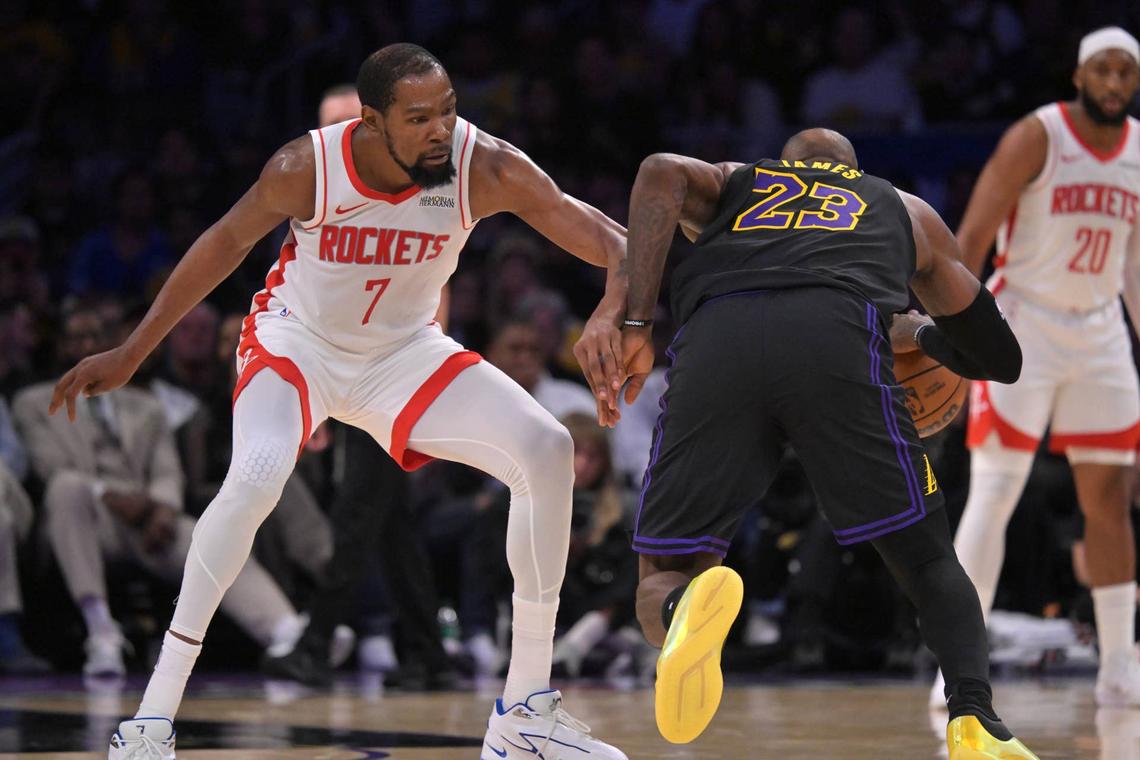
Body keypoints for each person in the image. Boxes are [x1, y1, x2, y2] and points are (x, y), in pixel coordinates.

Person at [50, 44, 627, 760]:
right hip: (296, 343)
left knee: (547, 448)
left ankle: (524, 715)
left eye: (448, 111)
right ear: (372, 122)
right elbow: (223, 243)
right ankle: (151, 719)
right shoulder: (306, 167)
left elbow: (608, 239)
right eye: (418, 118)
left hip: (403, 352)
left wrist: (622, 311)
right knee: (257, 475)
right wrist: (131, 352)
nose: (440, 131)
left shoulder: (483, 165)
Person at [585, 129, 1037, 758]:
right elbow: (1000, 359)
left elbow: (660, 170)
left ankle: (680, 611)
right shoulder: (903, 207)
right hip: (836, 335)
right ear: (854, 171)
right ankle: (974, 721)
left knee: (661, 573)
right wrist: (918, 333)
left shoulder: (739, 180)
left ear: (784, 165)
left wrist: (635, 320)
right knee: (927, 560)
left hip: (718, 335)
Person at [931, 27, 1140, 709]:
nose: (1115, 83)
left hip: (1100, 330)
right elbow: (971, 239)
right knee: (996, 491)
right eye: (1103, 70)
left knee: (1110, 500)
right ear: (1079, 75)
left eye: (1127, 72)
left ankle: (1119, 667)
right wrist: (955, 338)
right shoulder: (1038, 135)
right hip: (1024, 320)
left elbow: (1134, 263)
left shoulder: (1138, 150)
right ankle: (958, 668)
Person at [261, 83, 457, 692]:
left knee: (358, 513)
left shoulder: (421, 189)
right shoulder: (311, 193)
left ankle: (318, 643)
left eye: (351, 122)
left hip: (394, 374)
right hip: (338, 371)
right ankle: (426, 651)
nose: (340, 136)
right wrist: (313, 400)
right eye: (328, 124)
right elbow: (301, 305)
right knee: (387, 519)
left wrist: (420, 370)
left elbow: (437, 287)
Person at [14, 305, 306, 677]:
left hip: (145, 518)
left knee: (213, 534)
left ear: (109, 343)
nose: (85, 346)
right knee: (65, 488)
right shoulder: (34, 403)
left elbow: (167, 471)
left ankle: (289, 632)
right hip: (80, 521)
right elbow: (51, 467)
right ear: (59, 345)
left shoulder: (146, 406)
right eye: (76, 338)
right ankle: (101, 632)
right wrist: (110, 496)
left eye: (94, 337)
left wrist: (164, 510)